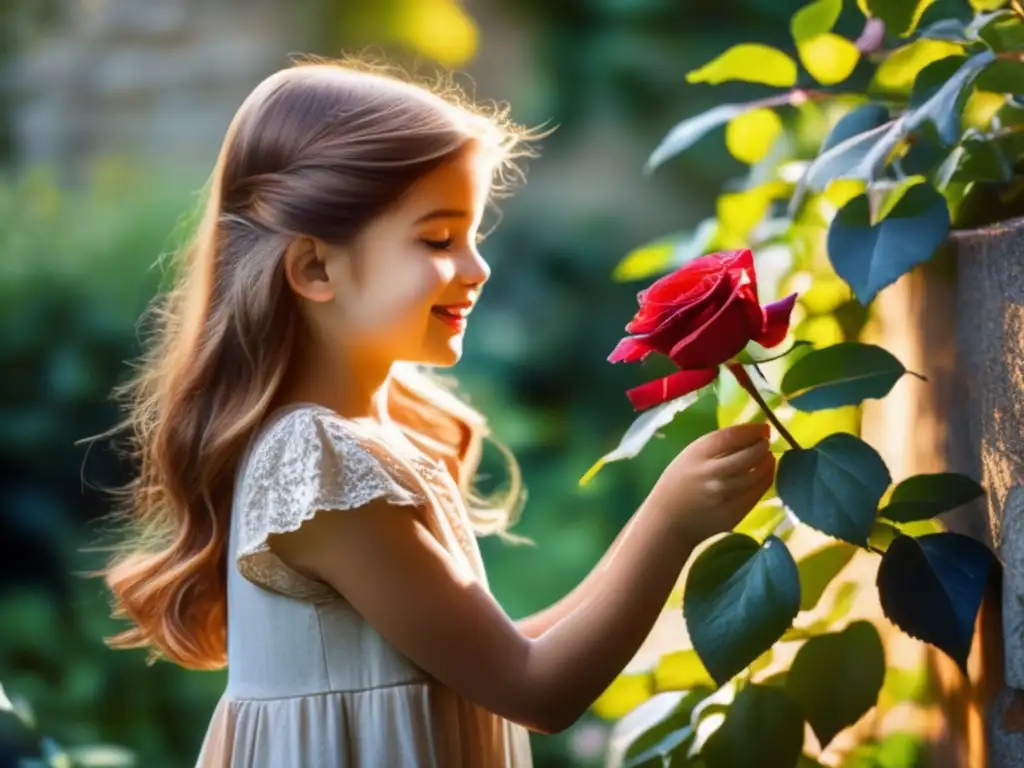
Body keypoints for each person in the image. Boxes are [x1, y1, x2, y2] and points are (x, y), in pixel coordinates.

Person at [96, 56, 776, 768]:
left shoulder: (353, 443)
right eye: (437, 239)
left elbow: (494, 656)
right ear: (315, 268)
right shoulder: (318, 468)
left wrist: (664, 526)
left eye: (473, 235)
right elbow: (536, 689)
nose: (477, 268)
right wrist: (669, 523)